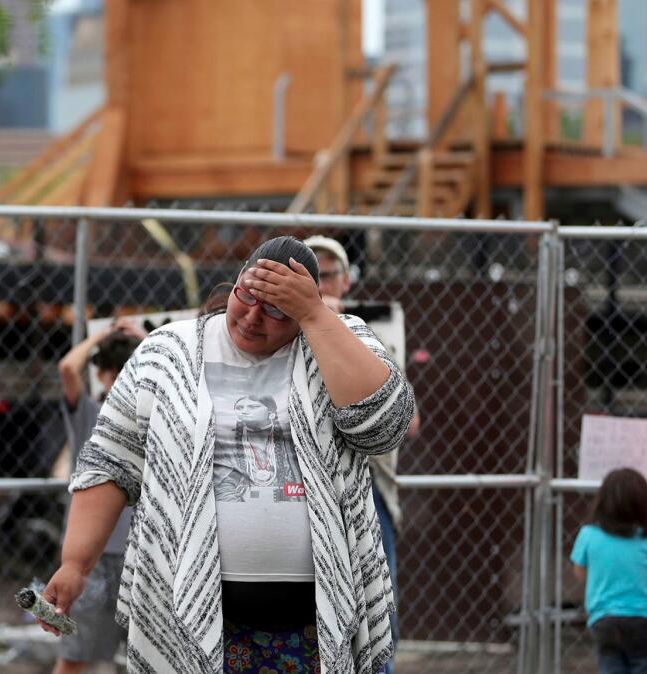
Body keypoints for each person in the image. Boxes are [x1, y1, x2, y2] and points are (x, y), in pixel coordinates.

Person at [40, 236, 415, 673]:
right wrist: (75, 564)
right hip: (188, 620)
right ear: (235, 282)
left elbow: (385, 428)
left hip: (314, 630)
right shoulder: (169, 352)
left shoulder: (337, 338)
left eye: (277, 310)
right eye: (247, 297)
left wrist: (316, 316)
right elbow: (110, 461)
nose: (254, 319)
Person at [305, 235, 420, 673]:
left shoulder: (371, 334)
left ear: (348, 280)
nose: (321, 283)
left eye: (329, 273)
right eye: (312, 275)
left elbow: (408, 421)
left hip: (369, 490)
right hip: (308, 485)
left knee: (375, 610)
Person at [52, 318, 146, 674]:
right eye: (114, 372)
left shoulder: (152, 416)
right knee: (76, 654)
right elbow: (67, 367)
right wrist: (104, 334)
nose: (122, 380)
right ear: (104, 375)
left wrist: (145, 340)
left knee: (146, 655)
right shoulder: (89, 413)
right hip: (95, 556)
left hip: (140, 553)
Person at [570, 468, 647, 674]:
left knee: (610, 665)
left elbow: (579, 571)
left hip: (603, 618)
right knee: (644, 665)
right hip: (642, 618)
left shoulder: (588, 534)